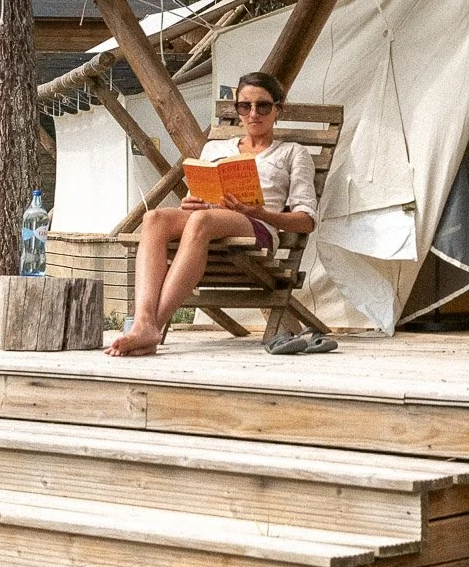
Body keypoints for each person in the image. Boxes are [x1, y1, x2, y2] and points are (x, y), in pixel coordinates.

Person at [105, 71, 327, 357]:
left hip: (256, 227)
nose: (253, 113)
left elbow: (306, 221)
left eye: (263, 106)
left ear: (278, 110)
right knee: (154, 219)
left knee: (201, 220)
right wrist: (191, 203)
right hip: (208, 222)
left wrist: (259, 212)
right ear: (237, 110)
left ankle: (148, 328)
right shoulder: (215, 148)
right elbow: (194, 198)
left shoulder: (292, 153)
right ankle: (144, 322)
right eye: (244, 106)